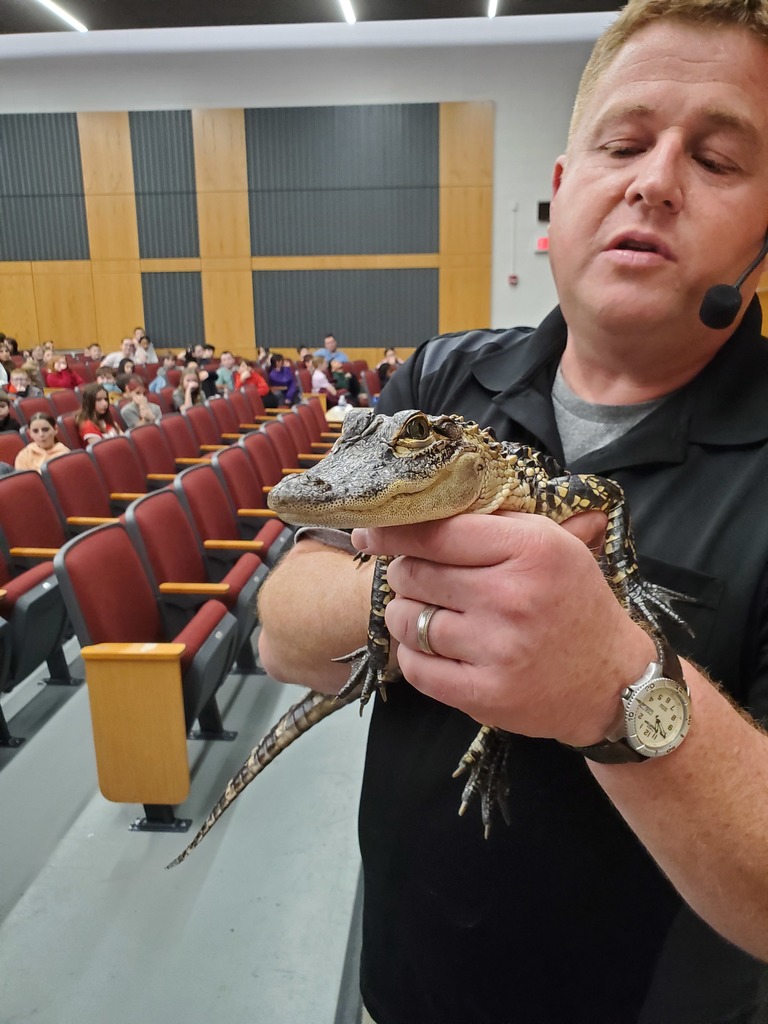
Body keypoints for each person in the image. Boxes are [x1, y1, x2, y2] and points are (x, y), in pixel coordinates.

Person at [257, 3, 768, 1022]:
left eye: (716, 160)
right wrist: (433, 604)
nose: (654, 179)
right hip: (400, 984)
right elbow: (280, 628)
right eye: (623, 141)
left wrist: (614, 682)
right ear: (564, 186)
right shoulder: (442, 379)